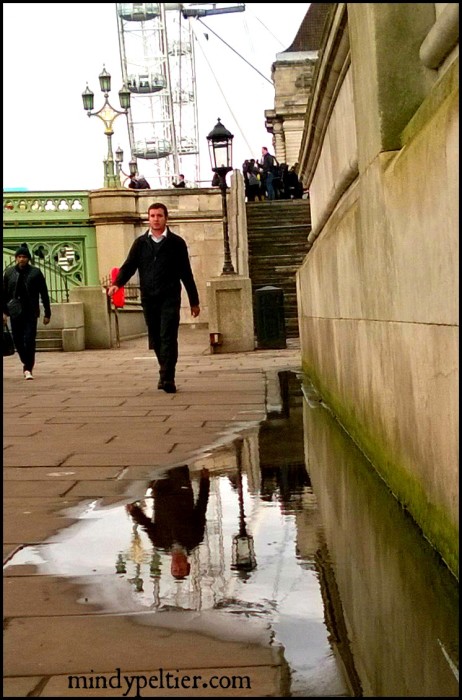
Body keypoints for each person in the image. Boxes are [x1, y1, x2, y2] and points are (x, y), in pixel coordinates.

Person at [107, 202, 200, 393]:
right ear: (148, 219)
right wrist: (117, 284)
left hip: (170, 297)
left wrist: (194, 301)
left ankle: (168, 378)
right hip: (149, 297)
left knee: (168, 336)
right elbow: (129, 266)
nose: (156, 219)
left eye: (159, 216)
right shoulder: (141, 244)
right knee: (156, 338)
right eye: (152, 216)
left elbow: (186, 273)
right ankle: (164, 370)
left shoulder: (177, 243)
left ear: (166, 218)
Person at [126, 465, 210, 580]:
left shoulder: (160, 543)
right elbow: (201, 508)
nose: (178, 566)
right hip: (181, 491)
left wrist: (134, 511)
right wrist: (205, 482)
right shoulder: (195, 539)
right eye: (181, 568)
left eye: (175, 569)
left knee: (160, 463)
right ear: (187, 564)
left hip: (161, 494)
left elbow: (147, 525)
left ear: (171, 566)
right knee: (177, 461)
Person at [3, 243, 51, 380]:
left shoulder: (36, 273)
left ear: (28, 258)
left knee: (29, 339)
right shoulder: (9, 273)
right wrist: (4, 312)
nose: (22, 259)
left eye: (24, 256)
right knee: (17, 340)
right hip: (14, 312)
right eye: (19, 256)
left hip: (30, 311)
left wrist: (47, 313)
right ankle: (26, 361)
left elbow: (44, 293)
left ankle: (28, 368)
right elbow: (4, 294)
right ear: (16, 258)